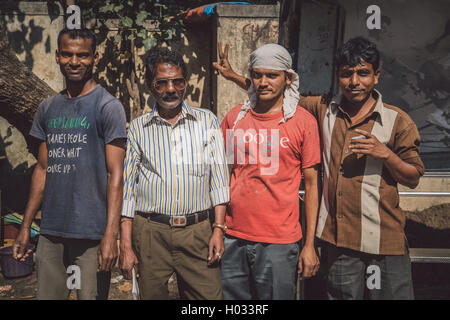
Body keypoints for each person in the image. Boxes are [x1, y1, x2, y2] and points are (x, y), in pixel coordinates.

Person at [214, 37, 425, 300]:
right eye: (347, 74)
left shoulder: (397, 121)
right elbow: (273, 89)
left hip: (384, 239)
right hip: (339, 242)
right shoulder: (325, 110)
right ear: (338, 76)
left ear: (376, 76)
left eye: (363, 73)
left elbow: (413, 177)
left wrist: (385, 154)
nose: (354, 82)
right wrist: (233, 75)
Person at [13, 28, 127, 300]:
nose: (74, 62)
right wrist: (26, 225)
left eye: (82, 55)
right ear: (57, 56)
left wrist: (111, 235)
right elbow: (42, 169)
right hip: (52, 231)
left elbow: (116, 175)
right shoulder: (48, 107)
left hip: (91, 234)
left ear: (95, 58)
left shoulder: (107, 106)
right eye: (67, 54)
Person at [119, 48, 230, 300]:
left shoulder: (207, 121)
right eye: (162, 82)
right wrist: (125, 244)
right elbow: (128, 189)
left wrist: (218, 228)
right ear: (150, 85)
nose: (171, 89)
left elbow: (220, 180)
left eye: (177, 81)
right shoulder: (138, 128)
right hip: (150, 234)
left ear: (185, 84)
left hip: (197, 232)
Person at [218, 43, 321, 300]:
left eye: (272, 75)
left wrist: (309, 245)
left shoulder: (303, 123)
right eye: (257, 74)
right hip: (234, 237)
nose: (263, 82)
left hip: (280, 241)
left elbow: (312, 186)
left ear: (288, 78)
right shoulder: (235, 119)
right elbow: (226, 175)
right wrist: (218, 228)